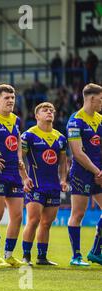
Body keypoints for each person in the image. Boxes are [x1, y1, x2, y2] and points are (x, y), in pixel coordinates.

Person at [21, 102, 68, 266]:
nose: (49, 112)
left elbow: (63, 163)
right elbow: (20, 158)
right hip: (36, 185)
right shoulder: (29, 135)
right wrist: (25, 178)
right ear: (37, 116)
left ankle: (42, 257)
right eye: (45, 110)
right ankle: (26, 257)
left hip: (53, 186)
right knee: (33, 220)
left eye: (51, 110)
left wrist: (63, 179)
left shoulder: (60, 138)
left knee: (47, 223)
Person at [0, 84, 26, 267]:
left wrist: (19, 158)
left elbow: (17, 139)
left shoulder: (16, 120)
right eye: (6, 98)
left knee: (17, 215)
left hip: (14, 172)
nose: (10, 101)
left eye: (12, 98)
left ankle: (9, 254)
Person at [66, 83, 102, 266]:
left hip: (99, 174)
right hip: (82, 173)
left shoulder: (100, 119)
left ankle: (96, 251)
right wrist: (97, 171)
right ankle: (76, 256)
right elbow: (77, 153)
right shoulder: (75, 120)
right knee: (78, 214)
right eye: (101, 99)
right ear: (92, 98)